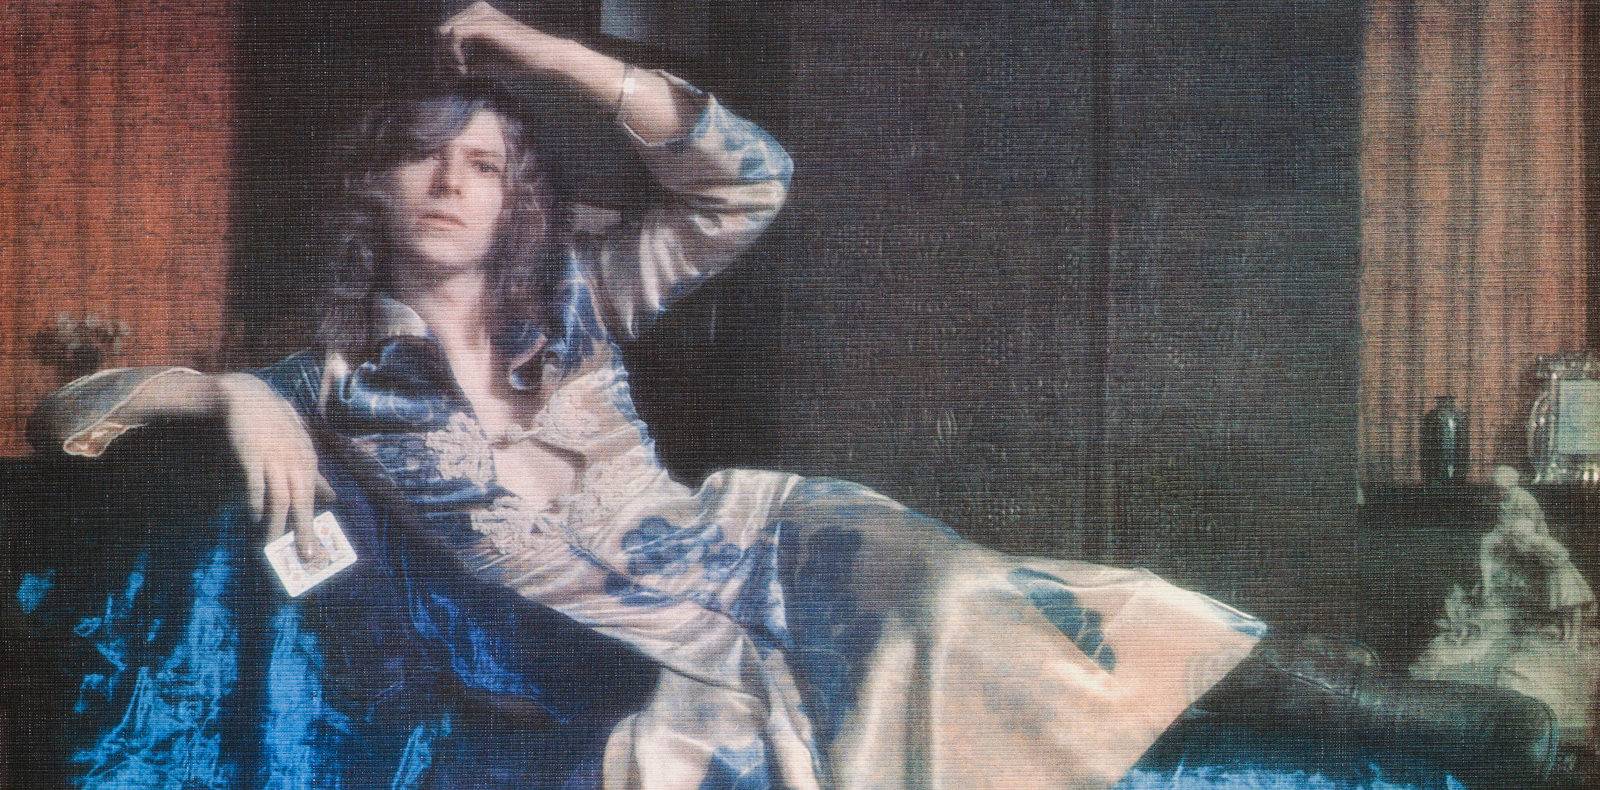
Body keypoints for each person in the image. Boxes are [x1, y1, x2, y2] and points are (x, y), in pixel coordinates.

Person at [23, 4, 1560, 788]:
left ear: (513, 203)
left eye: (484, 163)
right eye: (424, 156)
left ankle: (1421, 714)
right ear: (373, 185)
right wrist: (227, 392)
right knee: (1025, 656)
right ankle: (1447, 728)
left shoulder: (581, 294)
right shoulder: (337, 376)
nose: (451, 180)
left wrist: (553, 57)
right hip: (650, 643)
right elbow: (70, 412)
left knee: (966, 607)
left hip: (765, 545)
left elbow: (751, 180)